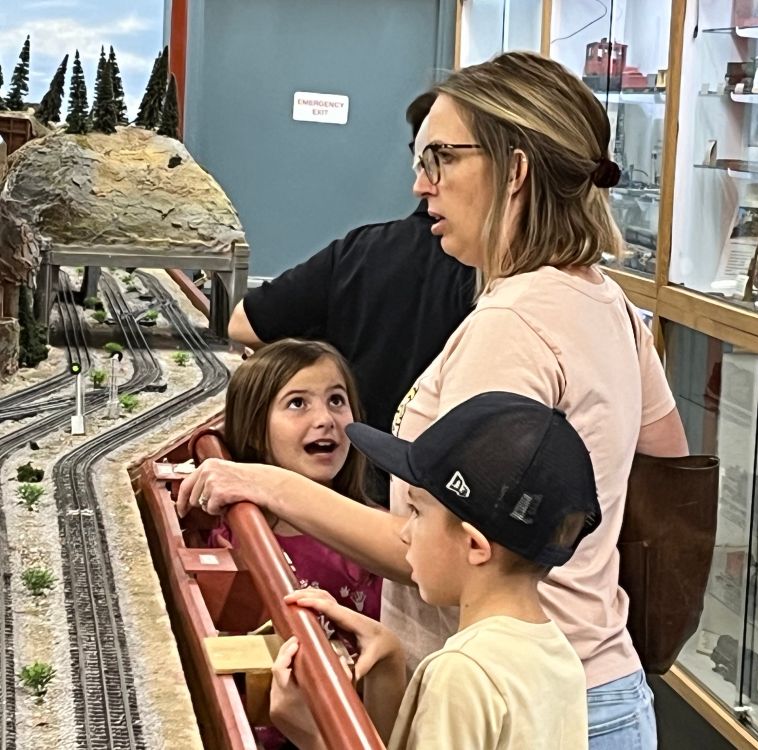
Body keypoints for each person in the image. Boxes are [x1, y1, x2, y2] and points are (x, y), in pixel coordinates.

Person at [177, 51, 688, 749]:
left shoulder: (513, 325)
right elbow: (666, 465)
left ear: (514, 171)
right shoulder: (608, 303)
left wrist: (265, 484)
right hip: (598, 686)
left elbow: (447, 540)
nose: (422, 185)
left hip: (505, 712)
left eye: (442, 158)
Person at [268, 391, 598, 750]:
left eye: (417, 512)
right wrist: (389, 657)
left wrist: (314, 737)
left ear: (474, 545)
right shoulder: (559, 656)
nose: (406, 532)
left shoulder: (463, 671)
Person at [227, 92, 477, 506]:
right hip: (435, 502)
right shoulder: (496, 283)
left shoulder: (362, 251)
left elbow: (245, 323)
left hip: (354, 490)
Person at [209, 339, 383, 748]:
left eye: (337, 400)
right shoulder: (236, 542)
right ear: (255, 430)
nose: (325, 419)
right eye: (298, 403)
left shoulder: (375, 531)